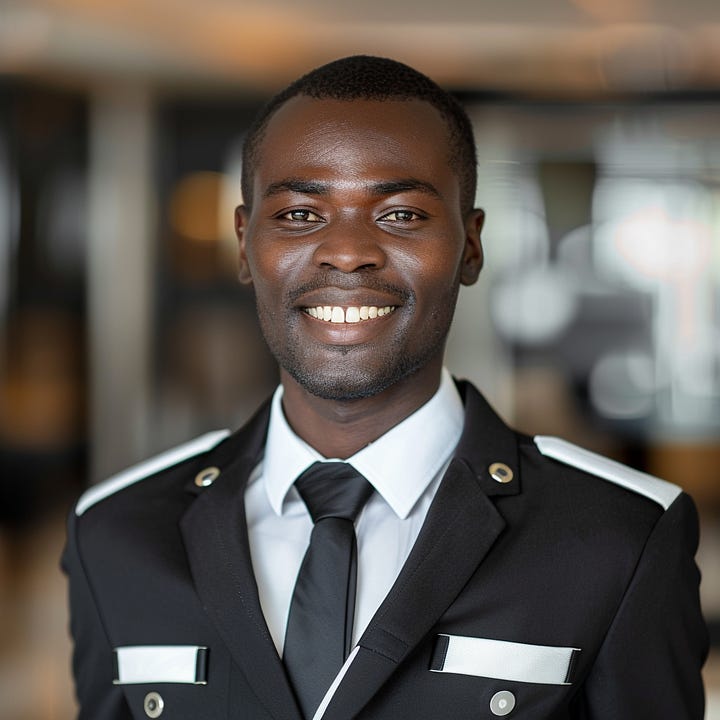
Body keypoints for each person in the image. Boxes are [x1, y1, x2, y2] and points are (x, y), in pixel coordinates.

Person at [63, 55, 707, 720]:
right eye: (298, 214)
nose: (347, 252)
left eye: (400, 214)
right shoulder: (117, 533)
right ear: (243, 245)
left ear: (470, 247)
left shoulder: (619, 537)